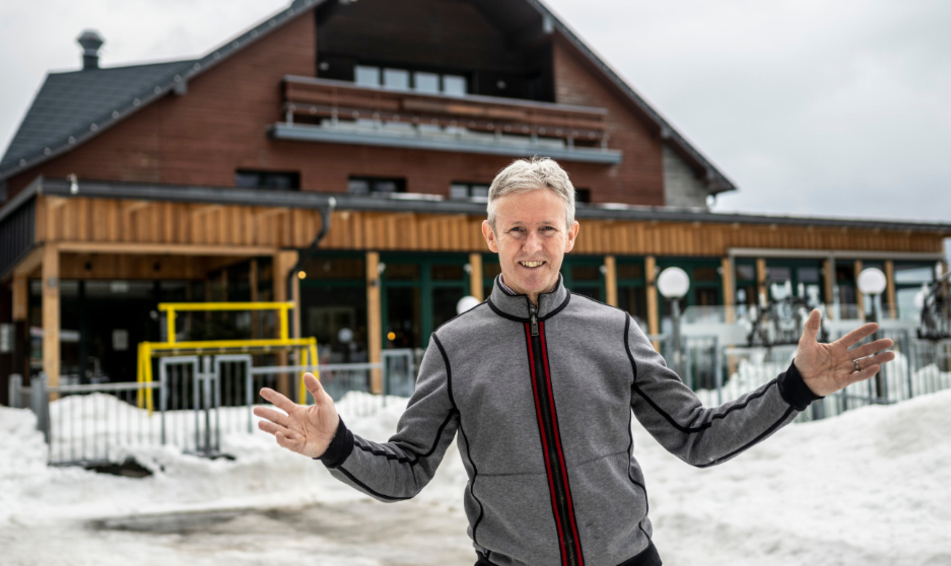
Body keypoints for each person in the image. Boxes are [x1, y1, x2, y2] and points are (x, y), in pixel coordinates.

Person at [255, 157, 895, 566]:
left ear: (571, 234)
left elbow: (696, 438)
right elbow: (408, 472)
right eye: (515, 230)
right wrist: (334, 445)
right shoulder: (455, 346)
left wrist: (795, 386)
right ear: (489, 235)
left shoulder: (613, 331)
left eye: (547, 229)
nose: (531, 246)